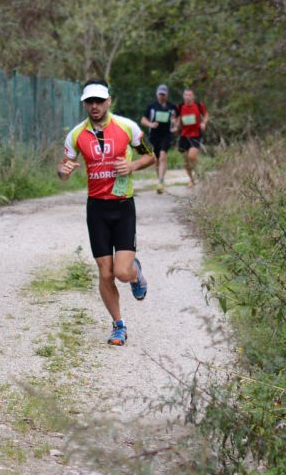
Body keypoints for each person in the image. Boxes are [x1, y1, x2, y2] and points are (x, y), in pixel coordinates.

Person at [57, 79, 154, 346]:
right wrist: (63, 171)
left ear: (109, 101)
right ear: (85, 104)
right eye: (90, 101)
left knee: (121, 272)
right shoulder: (76, 134)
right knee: (105, 272)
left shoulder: (127, 127)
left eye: (100, 100)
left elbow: (150, 156)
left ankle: (135, 272)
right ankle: (118, 325)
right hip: (97, 208)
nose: (95, 106)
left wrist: (131, 167)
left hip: (123, 206)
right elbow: (65, 164)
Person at [140, 84, 178, 194]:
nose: (162, 96)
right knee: (156, 160)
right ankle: (160, 179)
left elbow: (176, 118)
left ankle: (161, 181)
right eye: (160, 94)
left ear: (167, 95)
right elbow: (143, 120)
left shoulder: (172, 107)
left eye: (164, 94)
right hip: (154, 136)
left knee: (163, 156)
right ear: (157, 94)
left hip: (166, 135)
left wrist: (175, 127)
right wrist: (151, 124)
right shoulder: (151, 106)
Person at [177, 88, 209, 187]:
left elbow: (206, 114)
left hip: (195, 134)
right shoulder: (180, 106)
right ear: (183, 96)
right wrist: (175, 126)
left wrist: (204, 123)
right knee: (186, 162)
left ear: (193, 96)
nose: (187, 97)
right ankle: (191, 179)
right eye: (186, 95)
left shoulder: (199, 105)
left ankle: (199, 173)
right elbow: (177, 118)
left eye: (190, 95)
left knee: (192, 156)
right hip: (184, 136)